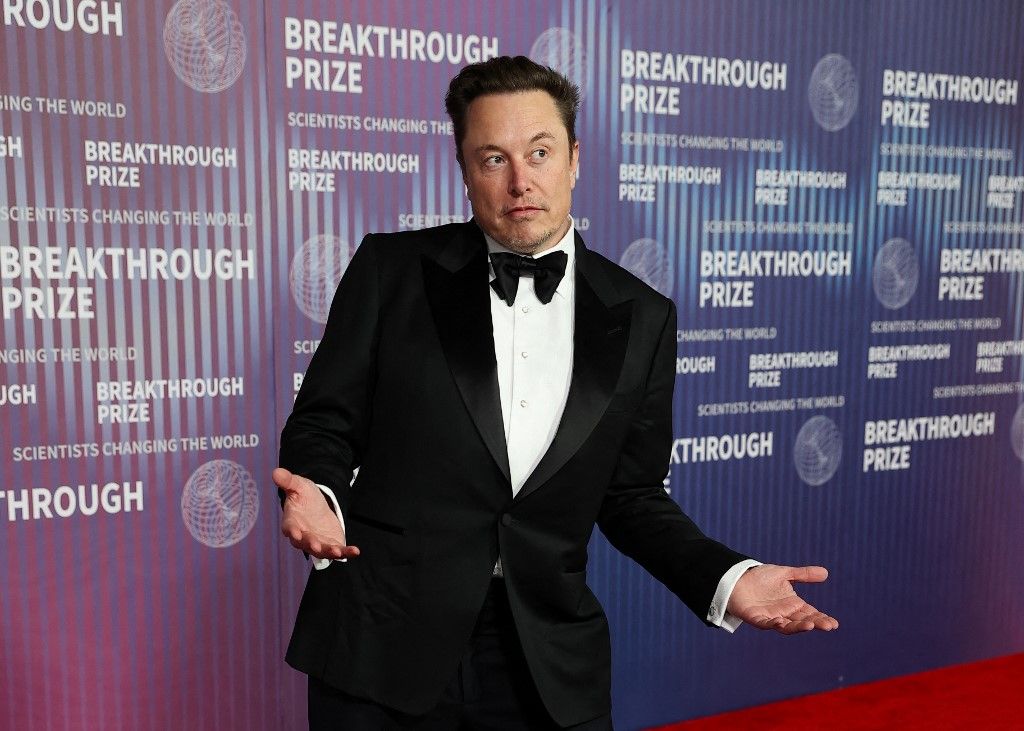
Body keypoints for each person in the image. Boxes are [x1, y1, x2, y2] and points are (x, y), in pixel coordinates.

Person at [274, 55, 837, 730]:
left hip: (545, 660)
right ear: (463, 170)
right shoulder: (388, 273)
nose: (520, 182)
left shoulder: (642, 316)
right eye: (493, 158)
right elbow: (323, 425)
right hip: (381, 641)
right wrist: (318, 492)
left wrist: (727, 577)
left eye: (539, 152)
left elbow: (631, 496)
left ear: (574, 158)